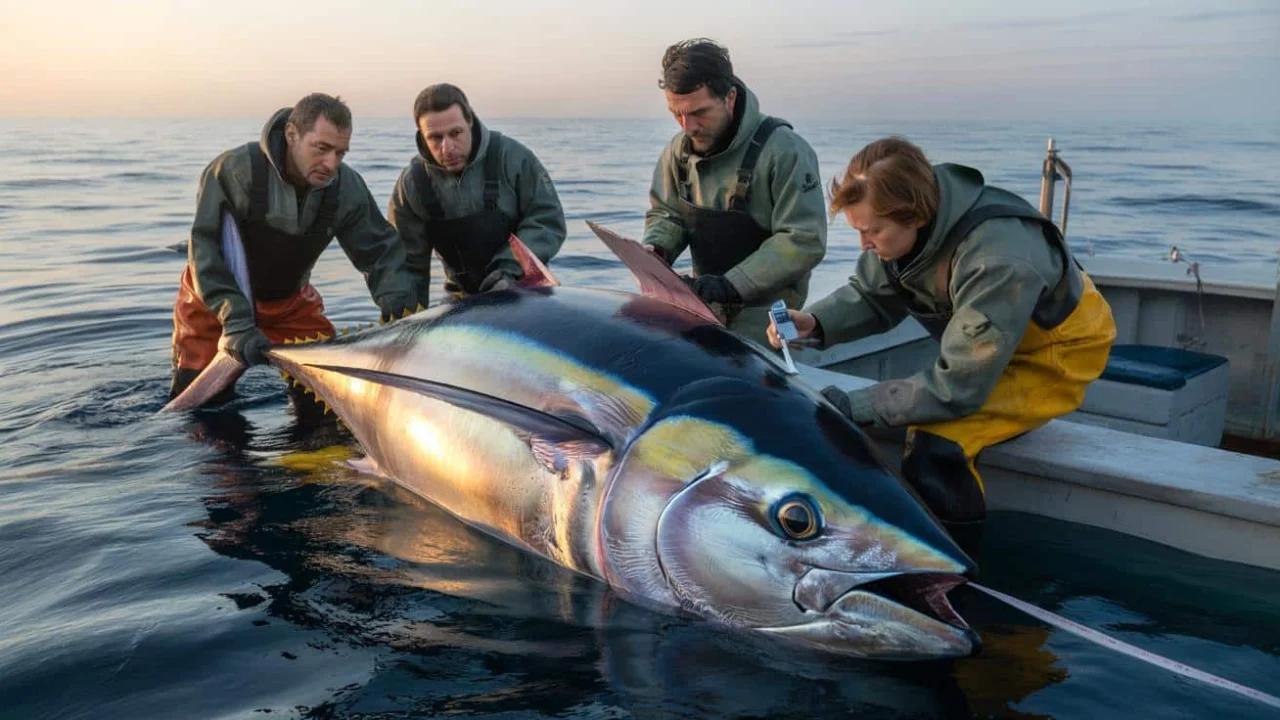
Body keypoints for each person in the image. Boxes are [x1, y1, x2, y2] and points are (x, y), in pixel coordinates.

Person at [769, 136, 1116, 534]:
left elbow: (957, 387)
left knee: (935, 449)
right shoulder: (907, 222)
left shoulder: (998, 258)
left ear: (913, 216)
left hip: (1057, 352)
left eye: (873, 232)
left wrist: (852, 406)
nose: (864, 246)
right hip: (993, 340)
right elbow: (872, 295)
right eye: (859, 231)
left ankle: (957, 581)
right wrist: (815, 322)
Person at [169, 93, 420, 403]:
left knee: (327, 398)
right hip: (213, 299)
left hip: (290, 303)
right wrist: (236, 321)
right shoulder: (232, 171)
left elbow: (380, 252)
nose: (331, 164)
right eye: (322, 149)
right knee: (200, 409)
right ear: (292, 134)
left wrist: (404, 320)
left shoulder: (346, 187)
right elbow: (206, 251)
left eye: (340, 153)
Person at [641, 38, 827, 346]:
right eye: (676, 114)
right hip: (704, 306)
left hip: (769, 319)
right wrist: (657, 249)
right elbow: (667, 212)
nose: (688, 126)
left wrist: (732, 285)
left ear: (729, 97)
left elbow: (804, 239)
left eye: (699, 112)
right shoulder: (678, 151)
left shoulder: (785, 151)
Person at [387, 83, 566, 302]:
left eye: (455, 133)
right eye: (435, 138)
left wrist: (509, 269)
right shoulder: (411, 184)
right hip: (460, 300)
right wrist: (404, 315)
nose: (447, 148)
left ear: (470, 121)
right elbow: (407, 266)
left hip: (526, 289)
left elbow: (547, 220)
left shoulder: (514, 158)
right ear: (422, 136)